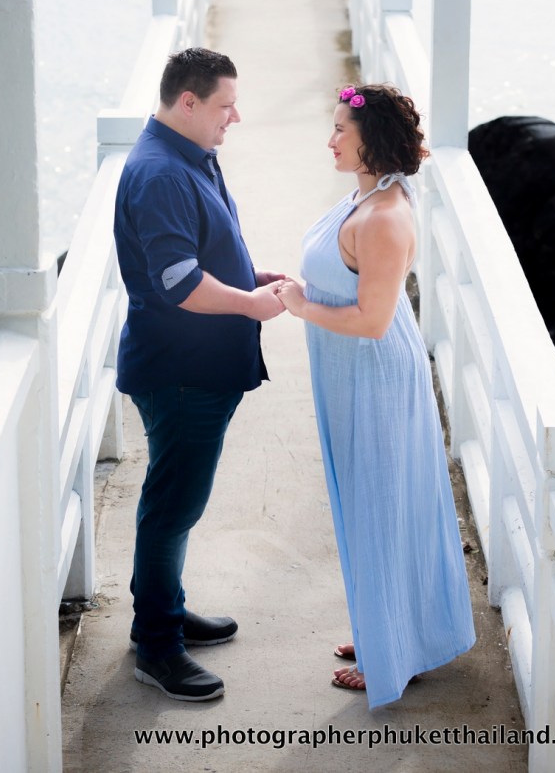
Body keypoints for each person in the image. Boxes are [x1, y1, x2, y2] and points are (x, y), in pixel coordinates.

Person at [276, 83, 475, 708]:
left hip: (377, 379)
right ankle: (382, 629)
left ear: (372, 142)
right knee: (367, 506)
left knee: (384, 509)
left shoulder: (386, 217)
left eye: (342, 129)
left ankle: (395, 654)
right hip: (347, 377)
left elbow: (372, 321)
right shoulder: (365, 196)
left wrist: (302, 306)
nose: (331, 139)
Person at [114, 47, 284, 702]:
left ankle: (163, 608)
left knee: (174, 505)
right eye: (223, 105)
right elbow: (177, 281)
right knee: (171, 509)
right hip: (181, 373)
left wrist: (249, 277)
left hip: (195, 366)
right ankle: (157, 646)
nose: (235, 117)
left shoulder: (189, 154)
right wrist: (248, 303)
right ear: (187, 101)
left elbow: (196, 255)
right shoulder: (161, 172)